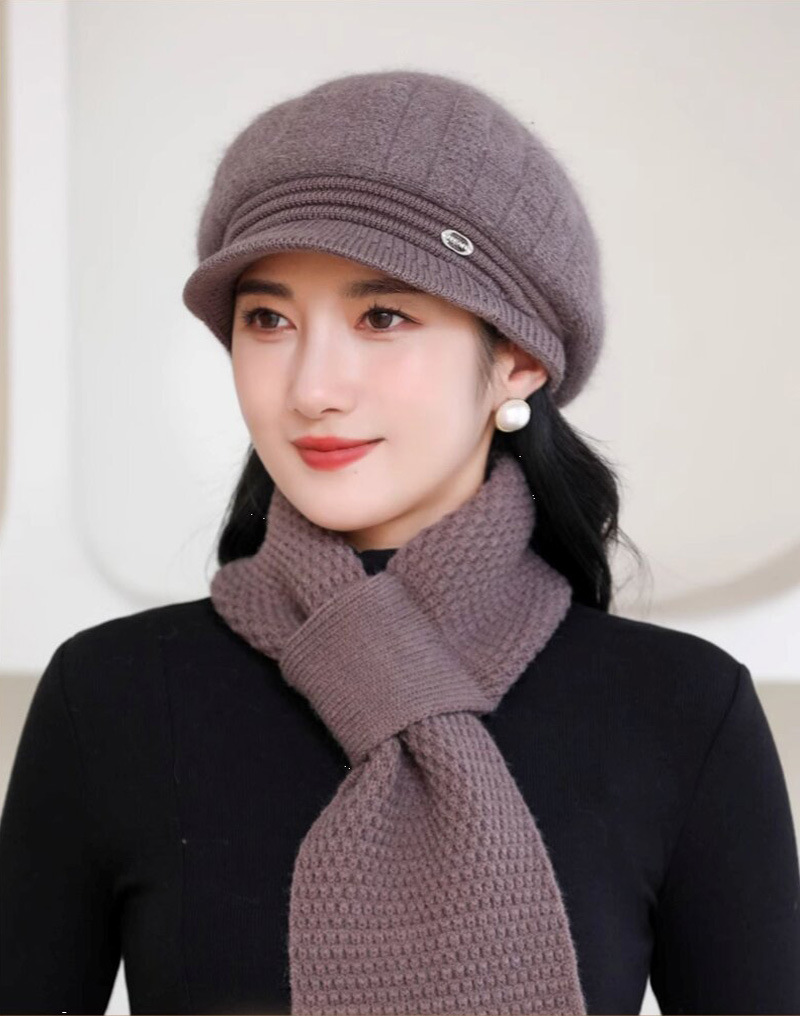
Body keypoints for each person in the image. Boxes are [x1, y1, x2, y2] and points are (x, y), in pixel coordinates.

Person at [1, 69, 799, 1016]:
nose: (312, 387)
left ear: (518, 357)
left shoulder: (682, 712)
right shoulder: (111, 699)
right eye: (268, 320)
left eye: (383, 317)